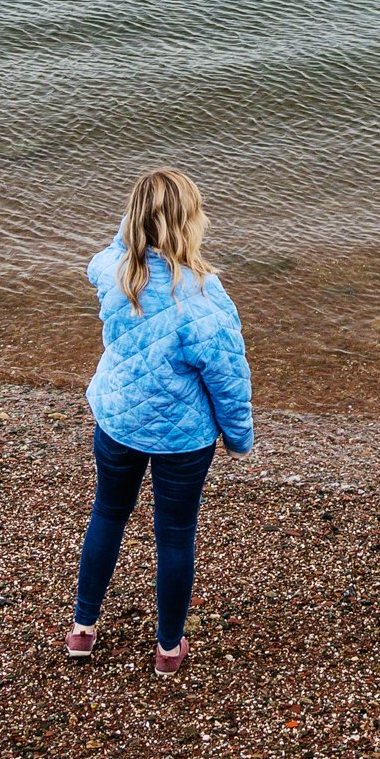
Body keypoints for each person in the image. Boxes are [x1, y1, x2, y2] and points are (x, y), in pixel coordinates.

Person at [66, 167, 254, 678]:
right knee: (175, 534)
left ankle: (83, 629)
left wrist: (132, 231)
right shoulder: (204, 294)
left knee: (108, 513)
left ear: (131, 220)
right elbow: (229, 377)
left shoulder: (113, 270)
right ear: (191, 222)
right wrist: (238, 437)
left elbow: (103, 255)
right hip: (183, 440)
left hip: (118, 422)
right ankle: (168, 648)